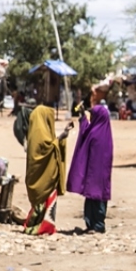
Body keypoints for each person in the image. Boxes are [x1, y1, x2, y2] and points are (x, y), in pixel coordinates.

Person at [67, 83, 115, 233]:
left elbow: (86, 135)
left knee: (97, 196)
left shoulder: (97, 133)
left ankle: (98, 224)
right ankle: (92, 224)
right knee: (92, 196)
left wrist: (83, 119)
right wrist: (83, 117)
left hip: (98, 174)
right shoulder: (101, 131)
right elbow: (86, 131)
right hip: (95, 174)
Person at [22, 87, 68, 236]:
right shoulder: (40, 135)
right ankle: (42, 226)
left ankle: (37, 224)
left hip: (37, 176)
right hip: (45, 177)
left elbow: (49, 145)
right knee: (45, 200)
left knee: (40, 203)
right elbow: (47, 148)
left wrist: (60, 137)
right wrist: (61, 138)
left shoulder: (35, 132)